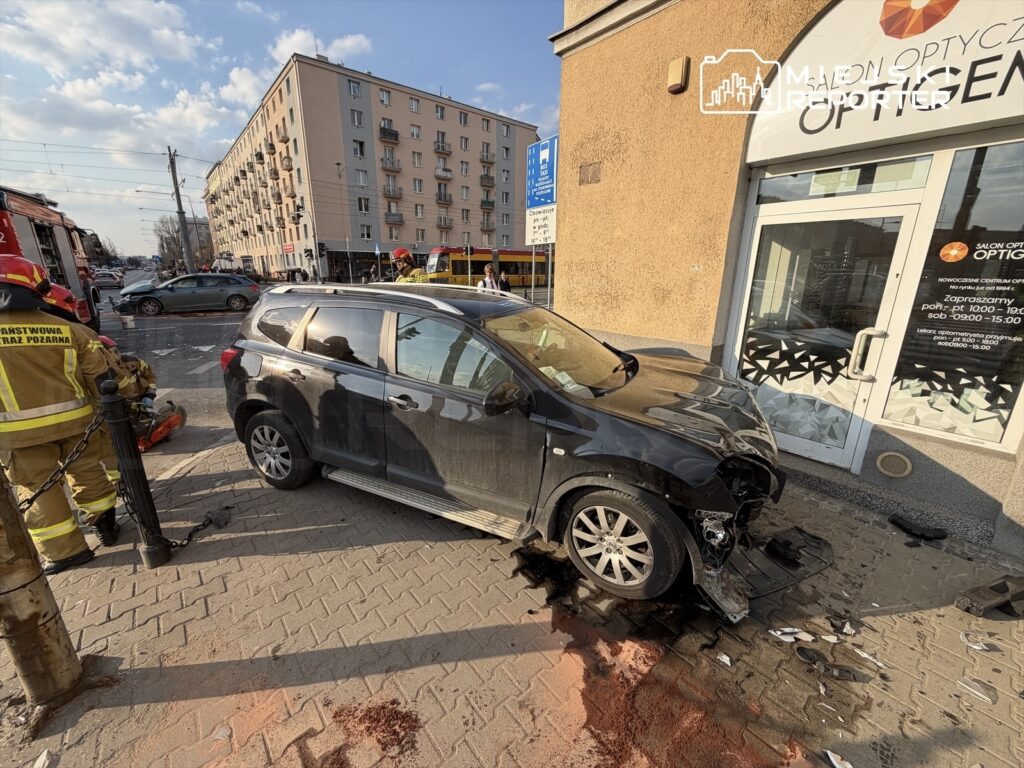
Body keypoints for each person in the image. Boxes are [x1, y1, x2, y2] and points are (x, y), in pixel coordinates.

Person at [0, 255, 121, 574]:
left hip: (18, 435)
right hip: (78, 422)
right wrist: (105, 415)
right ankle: (106, 526)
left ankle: (67, 552)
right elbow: (100, 379)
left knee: (40, 492)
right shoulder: (68, 329)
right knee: (88, 475)